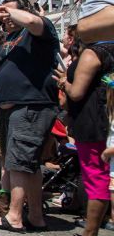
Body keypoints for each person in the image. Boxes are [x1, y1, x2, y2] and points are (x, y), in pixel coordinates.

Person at [0, 0, 60, 233]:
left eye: (8, 13)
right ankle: (35, 216)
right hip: (12, 107)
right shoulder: (10, 39)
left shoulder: (39, 29)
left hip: (31, 105)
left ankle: (14, 216)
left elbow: (34, 21)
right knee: (27, 164)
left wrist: (3, 10)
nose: (4, 18)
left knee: (18, 163)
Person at [55, 41, 114, 236]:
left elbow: (76, 92)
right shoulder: (105, 49)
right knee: (98, 176)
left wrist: (65, 82)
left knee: (96, 177)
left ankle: (90, 231)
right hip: (97, 120)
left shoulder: (94, 52)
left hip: (93, 121)